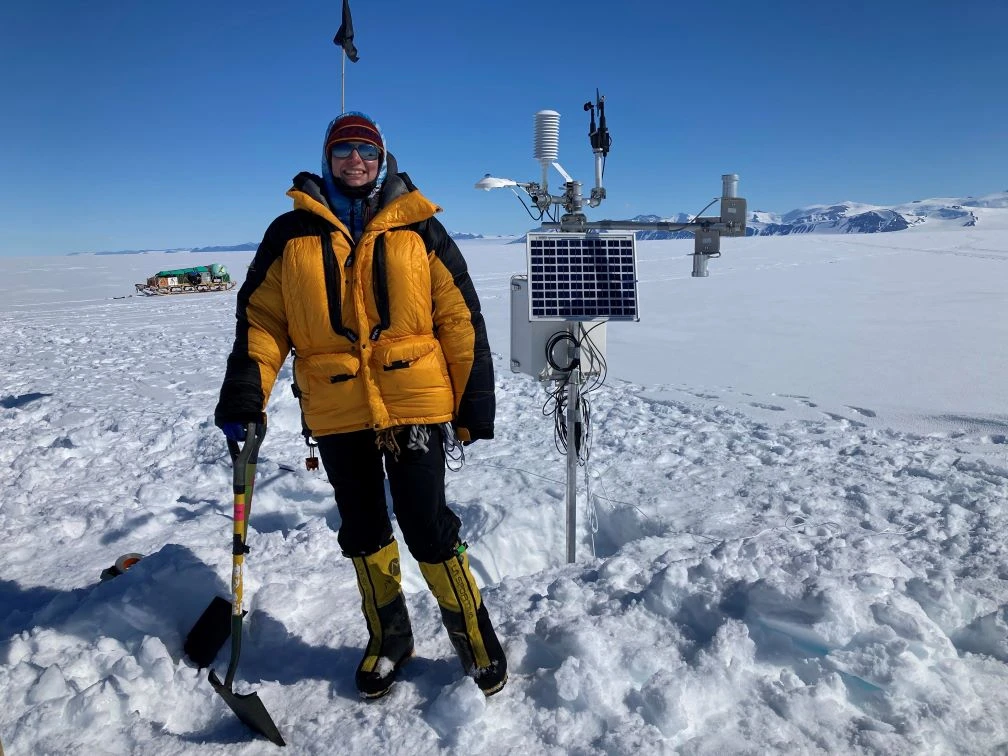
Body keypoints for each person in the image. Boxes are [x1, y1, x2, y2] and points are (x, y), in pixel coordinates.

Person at [213, 111, 506, 699]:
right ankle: (389, 638)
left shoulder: (420, 227)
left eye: (366, 151)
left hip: (415, 402)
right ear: (327, 158)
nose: (355, 160)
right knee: (364, 527)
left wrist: (474, 403)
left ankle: (474, 636)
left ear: (382, 160)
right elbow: (263, 323)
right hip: (337, 407)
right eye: (344, 150)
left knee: (427, 524)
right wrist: (248, 393)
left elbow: (459, 318)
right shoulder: (289, 233)